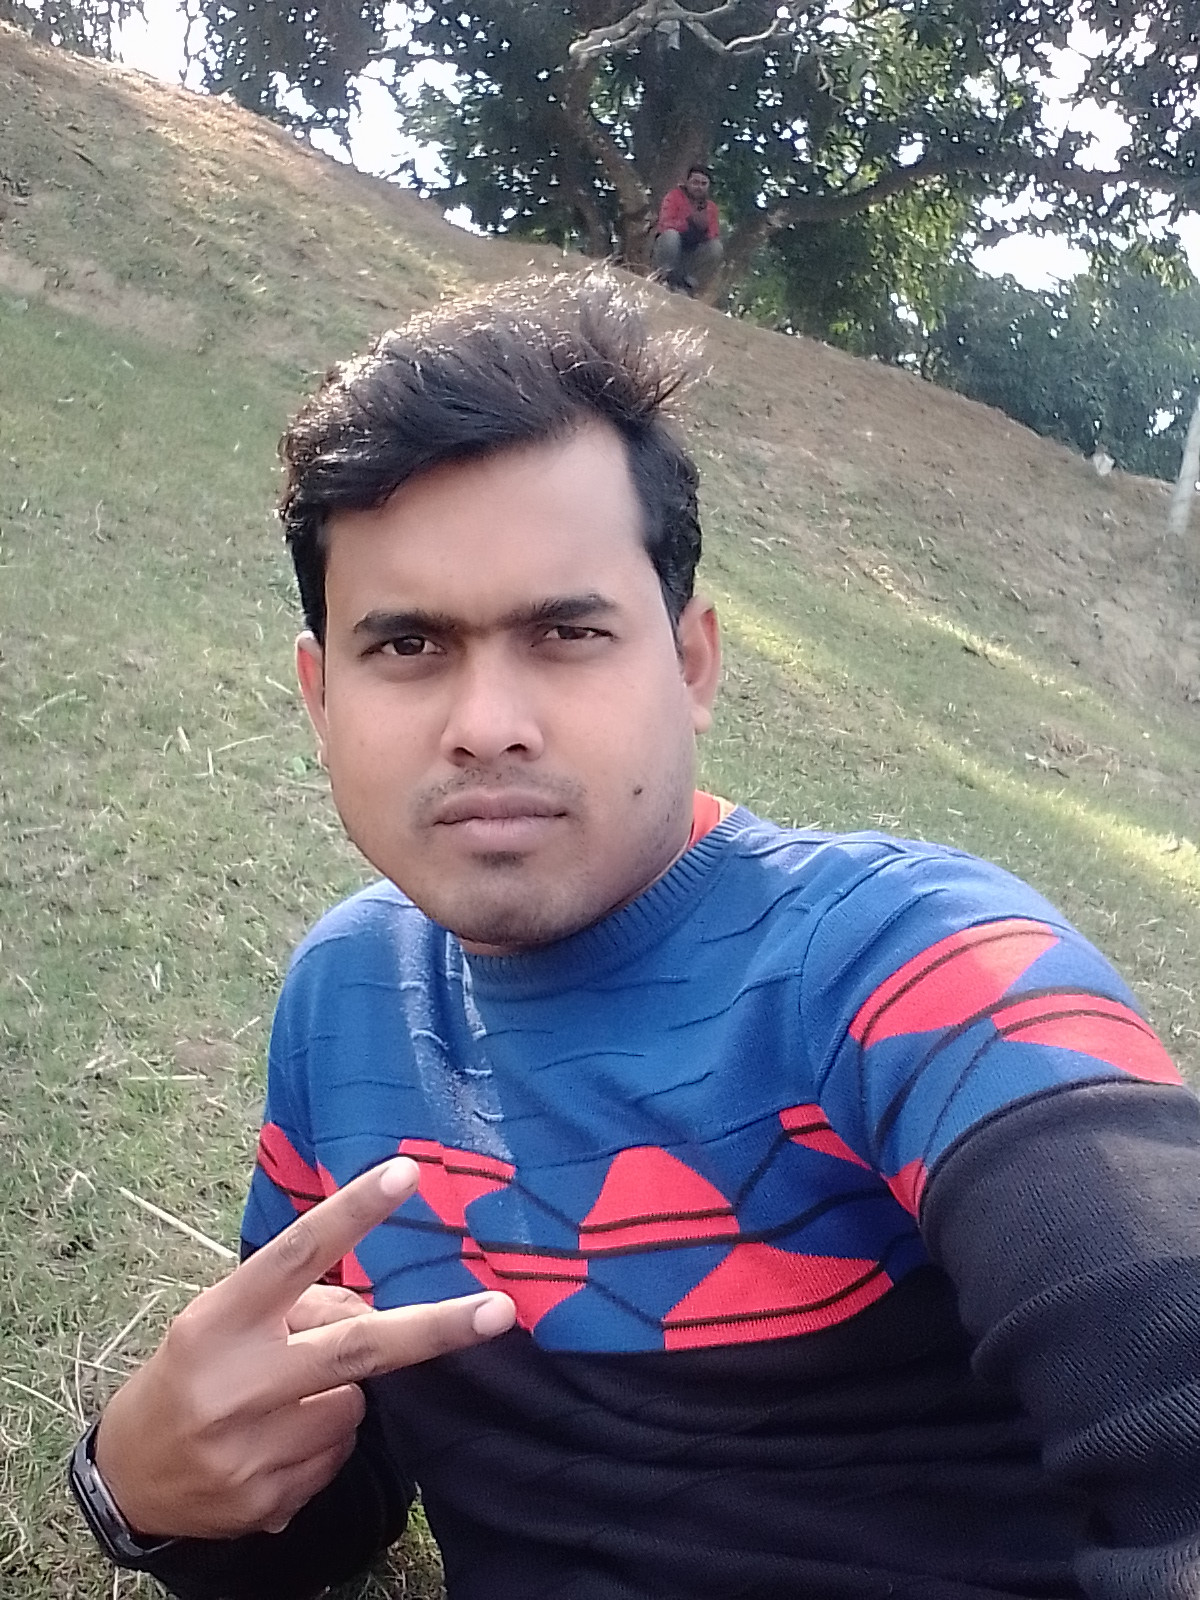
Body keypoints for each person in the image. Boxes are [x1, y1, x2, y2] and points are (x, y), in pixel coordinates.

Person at [69, 277, 1200, 1600]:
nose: (486, 723)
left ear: (692, 664)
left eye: (566, 633)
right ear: (322, 699)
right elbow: (316, 1489)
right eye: (409, 644)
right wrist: (137, 1487)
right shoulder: (346, 998)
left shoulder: (916, 966)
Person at [651, 164, 722, 295]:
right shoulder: (674, 196)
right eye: (695, 182)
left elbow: (713, 234)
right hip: (669, 250)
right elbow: (665, 224)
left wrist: (702, 230)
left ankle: (688, 286)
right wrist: (689, 222)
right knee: (671, 235)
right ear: (687, 182)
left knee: (716, 247)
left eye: (703, 184)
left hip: (691, 256)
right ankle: (663, 277)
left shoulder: (711, 208)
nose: (699, 187)